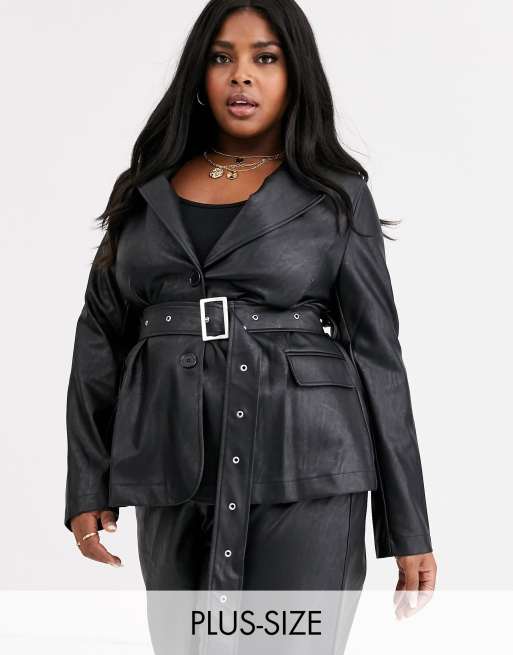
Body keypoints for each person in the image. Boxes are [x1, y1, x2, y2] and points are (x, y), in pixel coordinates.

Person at [64, 0, 437, 651]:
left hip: (308, 469)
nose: (242, 75)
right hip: (171, 466)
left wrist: (407, 526)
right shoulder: (143, 192)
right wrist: (87, 483)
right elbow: (100, 338)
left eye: (265, 57)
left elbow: (378, 358)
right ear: (198, 74)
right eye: (222, 57)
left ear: (295, 74)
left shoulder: (335, 195)